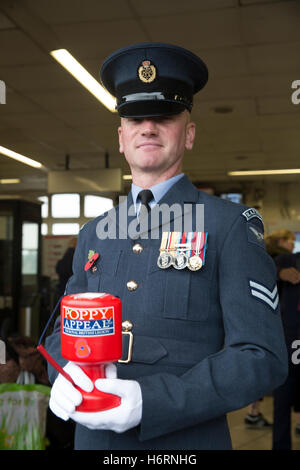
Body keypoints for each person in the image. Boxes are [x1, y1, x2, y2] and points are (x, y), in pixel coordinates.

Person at [44, 42, 288, 450]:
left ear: (188, 134)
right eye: (135, 117)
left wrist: (151, 401)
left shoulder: (228, 226)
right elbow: (59, 333)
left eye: (165, 115)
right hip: (92, 440)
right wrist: (62, 370)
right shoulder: (94, 232)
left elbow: (261, 356)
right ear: (121, 138)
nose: (148, 126)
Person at [244, 229, 296, 429]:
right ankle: (253, 412)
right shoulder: (276, 258)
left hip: (261, 317)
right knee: (262, 365)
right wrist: (281, 273)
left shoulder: (266, 253)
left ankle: (253, 411)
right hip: (270, 320)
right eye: (290, 240)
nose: (293, 245)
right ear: (281, 241)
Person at [272, 241, 300, 450]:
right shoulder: (288, 260)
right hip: (287, 342)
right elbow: (265, 272)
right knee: (281, 406)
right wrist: (280, 274)